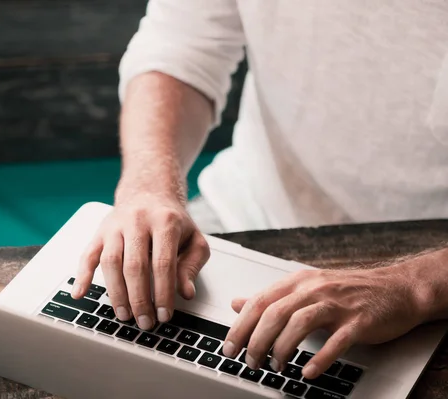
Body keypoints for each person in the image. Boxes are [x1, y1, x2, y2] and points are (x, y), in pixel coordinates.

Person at [72, 0, 448, 380]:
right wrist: (149, 187)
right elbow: (180, 45)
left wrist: (415, 288)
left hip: (426, 267)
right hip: (238, 210)